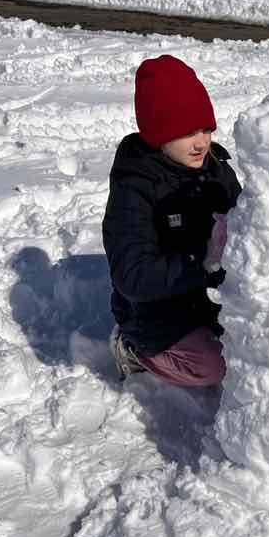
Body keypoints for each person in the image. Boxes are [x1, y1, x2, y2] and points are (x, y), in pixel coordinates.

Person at [103, 54, 242, 387]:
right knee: (215, 368)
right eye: (186, 132)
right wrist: (202, 262)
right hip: (157, 312)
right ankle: (133, 350)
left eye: (206, 129)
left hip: (209, 297)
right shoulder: (135, 186)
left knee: (251, 345)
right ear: (158, 132)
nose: (201, 142)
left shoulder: (215, 168)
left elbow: (244, 214)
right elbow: (132, 275)